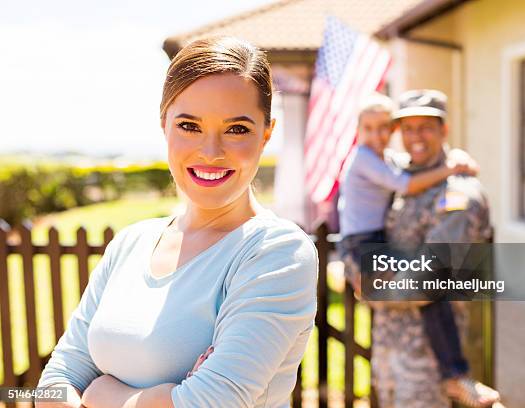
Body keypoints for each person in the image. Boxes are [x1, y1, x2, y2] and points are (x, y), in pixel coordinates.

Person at [36, 36, 318, 408]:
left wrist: (106, 395)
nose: (211, 151)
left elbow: (213, 402)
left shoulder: (277, 252)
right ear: (163, 124)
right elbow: (51, 385)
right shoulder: (131, 243)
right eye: (189, 125)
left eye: (237, 129)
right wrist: (157, 398)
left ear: (266, 133)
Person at [337, 92, 497, 407]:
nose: (415, 137)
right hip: (388, 348)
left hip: (427, 361)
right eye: (407, 129)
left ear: (444, 131)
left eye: (425, 127)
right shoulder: (402, 177)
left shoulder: (458, 195)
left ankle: (458, 377)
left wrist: (369, 285)